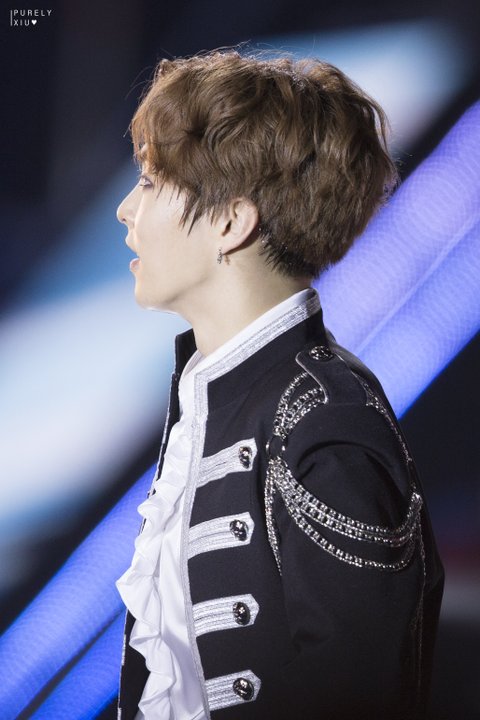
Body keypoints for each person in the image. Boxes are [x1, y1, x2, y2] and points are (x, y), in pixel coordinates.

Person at [115, 50, 444, 720]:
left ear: (231, 222)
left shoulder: (327, 421)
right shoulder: (214, 399)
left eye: (150, 183)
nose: (126, 210)